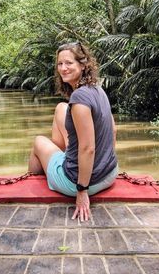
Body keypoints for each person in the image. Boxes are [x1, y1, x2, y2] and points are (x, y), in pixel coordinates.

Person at [28, 41, 118, 222]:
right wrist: (104, 164)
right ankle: (66, 157)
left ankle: (29, 185)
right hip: (110, 174)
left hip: (82, 183)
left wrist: (82, 190)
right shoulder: (98, 90)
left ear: (83, 65)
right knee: (61, 108)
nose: (63, 68)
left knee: (38, 141)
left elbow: (88, 148)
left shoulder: (79, 97)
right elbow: (113, 131)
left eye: (69, 63)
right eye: (60, 64)